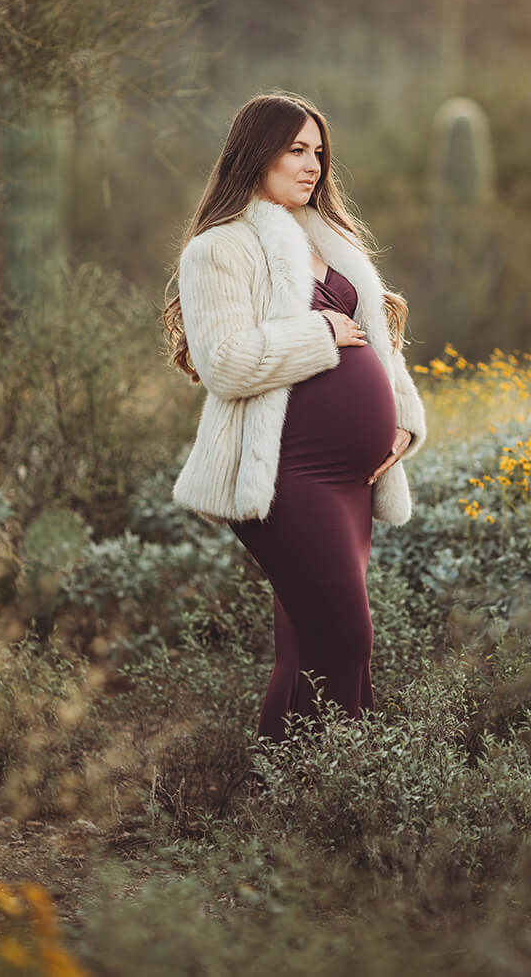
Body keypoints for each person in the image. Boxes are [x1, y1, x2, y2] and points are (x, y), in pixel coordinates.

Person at [161, 91, 430, 742]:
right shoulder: (218, 250)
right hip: (285, 473)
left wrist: (403, 417)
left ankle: (302, 804)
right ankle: (323, 792)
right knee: (346, 634)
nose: (312, 165)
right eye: (295, 150)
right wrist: (317, 335)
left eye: (318, 152)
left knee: (312, 646)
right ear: (256, 154)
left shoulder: (331, 244)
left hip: (350, 481)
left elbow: (379, 347)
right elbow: (223, 362)